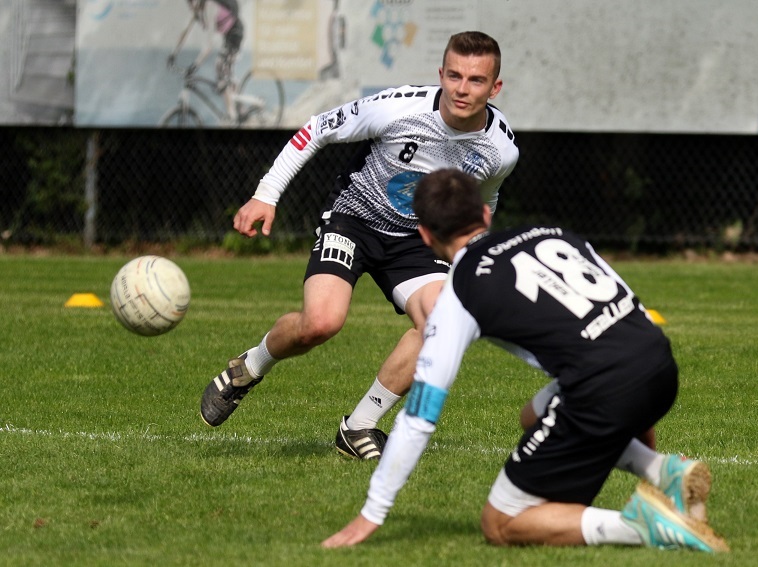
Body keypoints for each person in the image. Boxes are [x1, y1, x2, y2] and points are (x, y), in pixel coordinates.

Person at [321, 169, 729, 552]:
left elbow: (420, 416)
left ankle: (642, 525)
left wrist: (372, 511)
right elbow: (629, 311)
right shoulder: (552, 232)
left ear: (425, 234)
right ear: (485, 214)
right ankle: (664, 472)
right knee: (533, 415)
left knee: (500, 523)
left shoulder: (459, 291)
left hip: (602, 386)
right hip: (657, 362)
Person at [200, 32, 519, 462]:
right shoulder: (398, 108)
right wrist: (266, 195)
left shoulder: (500, 149)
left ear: (495, 88)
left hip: (418, 241)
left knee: (441, 325)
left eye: (476, 80)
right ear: (441, 74)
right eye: (454, 76)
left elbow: (484, 199)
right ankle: (249, 367)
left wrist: (470, 251)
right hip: (354, 219)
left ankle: (358, 426)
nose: (462, 89)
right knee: (320, 324)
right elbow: (316, 129)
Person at [168, 0, 244, 122]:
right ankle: (237, 97)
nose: (192, 5)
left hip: (235, 33)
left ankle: (232, 115)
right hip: (226, 35)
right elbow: (185, 32)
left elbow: (210, 43)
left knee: (220, 68)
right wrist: (173, 54)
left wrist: (196, 64)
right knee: (226, 74)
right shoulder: (198, 10)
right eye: (190, 3)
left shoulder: (210, 7)